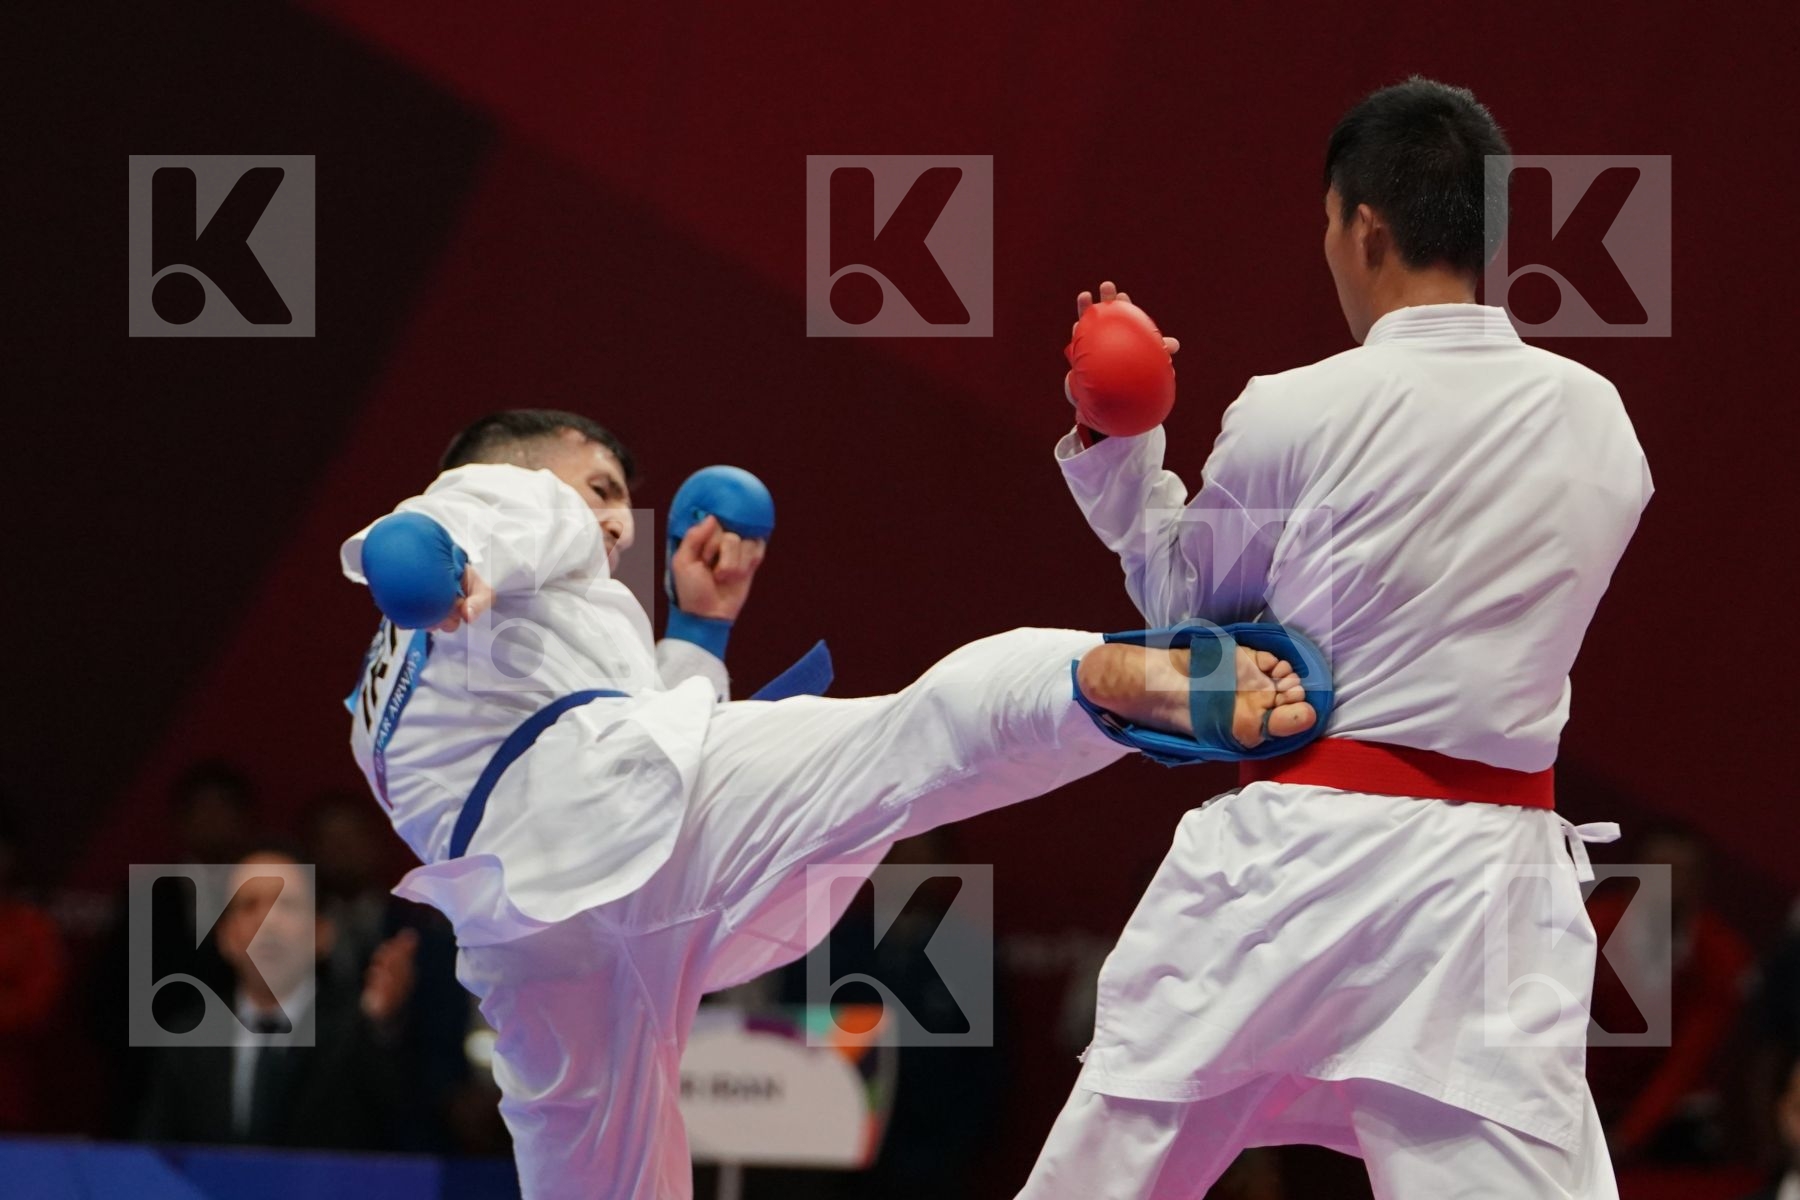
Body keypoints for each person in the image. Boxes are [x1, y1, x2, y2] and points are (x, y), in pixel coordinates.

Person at [339, 408, 1326, 1199]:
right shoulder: (501, 493)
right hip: (630, 820)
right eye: (602, 490)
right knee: (912, 739)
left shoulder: (378, 704)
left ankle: (1106, 682)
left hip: (539, 941)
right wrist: (440, 559)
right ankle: (1098, 679)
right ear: (517, 469)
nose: (613, 524)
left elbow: (608, 737)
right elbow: (426, 541)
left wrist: (698, 628)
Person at [1021, 77, 1652, 1199]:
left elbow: (1184, 612)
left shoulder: (1294, 409)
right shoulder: (1602, 421)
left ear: (1364, 226)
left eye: (1326, 225)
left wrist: (1120, 436)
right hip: (1488, 889)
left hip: (1296, 868)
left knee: (1106, 1180)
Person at [137, 843, 418, 1150]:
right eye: (249, 905)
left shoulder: (358, 1031)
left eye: (286, 905)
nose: (267, 922)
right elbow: (156, 1156)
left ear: (322, 933)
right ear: (225, 936)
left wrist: (381, 1024)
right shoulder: (186, 1038)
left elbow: (396, 1116)